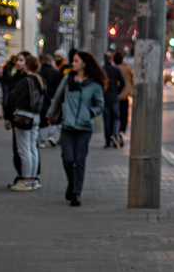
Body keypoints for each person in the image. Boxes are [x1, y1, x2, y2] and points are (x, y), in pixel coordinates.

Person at [47, 49, 106, 207]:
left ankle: (76, 192)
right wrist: (50, 116)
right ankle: (72, 184)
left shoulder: (94, 85)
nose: (73, 63)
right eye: (73, 60)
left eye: (76, 61)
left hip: (84, 128)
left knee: (79, 160)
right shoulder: (68, 79)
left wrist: (89, 113)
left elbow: (100, 105)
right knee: (67, 158)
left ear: (84, 64)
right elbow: (58, 97)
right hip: (67, 125)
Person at [5, 52, 45, 191]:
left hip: (23, 115)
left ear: (27, 66)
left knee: (23, 149)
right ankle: (33, 179)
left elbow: (12, 97)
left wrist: (8, 116)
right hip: (35, 116)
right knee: (32, 147)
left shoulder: (25, 81)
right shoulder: (39, 80)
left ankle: (26, 179)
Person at [38, 51, 63, 148]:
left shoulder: (39, 71)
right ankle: (51, 135)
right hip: (52, 98)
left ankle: (42, 140)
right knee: (52, 118)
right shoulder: (55, 72)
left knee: (41, 121)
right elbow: (58, 86)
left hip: (41, 98)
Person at [101, 51, 125, 149]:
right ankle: (114, 134)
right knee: (116, 118)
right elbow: (123, 83)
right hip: (114, 97)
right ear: (111, 59)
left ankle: (107, 141)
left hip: (104, 97)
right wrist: (117, 91)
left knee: (106, 119)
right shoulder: (116, 70)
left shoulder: (101, 70)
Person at [113, 50, 133, 140]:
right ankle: (122, 132)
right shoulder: (127, 68)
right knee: (124, 116)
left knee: (115, 116)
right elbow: (133, 78)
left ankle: (113, 133)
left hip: (114, 95)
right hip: (124, 95)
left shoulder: (113, 68)